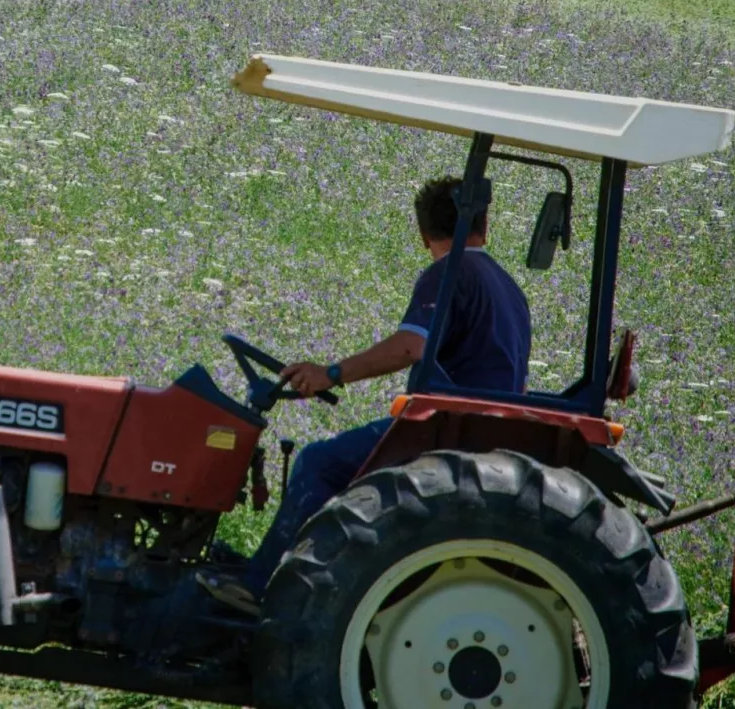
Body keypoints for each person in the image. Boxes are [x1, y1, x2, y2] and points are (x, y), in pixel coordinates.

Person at [199, 176, 532, 616]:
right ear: (484, 226)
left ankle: (261, 586)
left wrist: (330, 374)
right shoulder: (509, 287)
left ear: (422, 234)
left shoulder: (448, 273)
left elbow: (411, 346)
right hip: (484, 427)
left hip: (449, 431)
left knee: (318, 462)